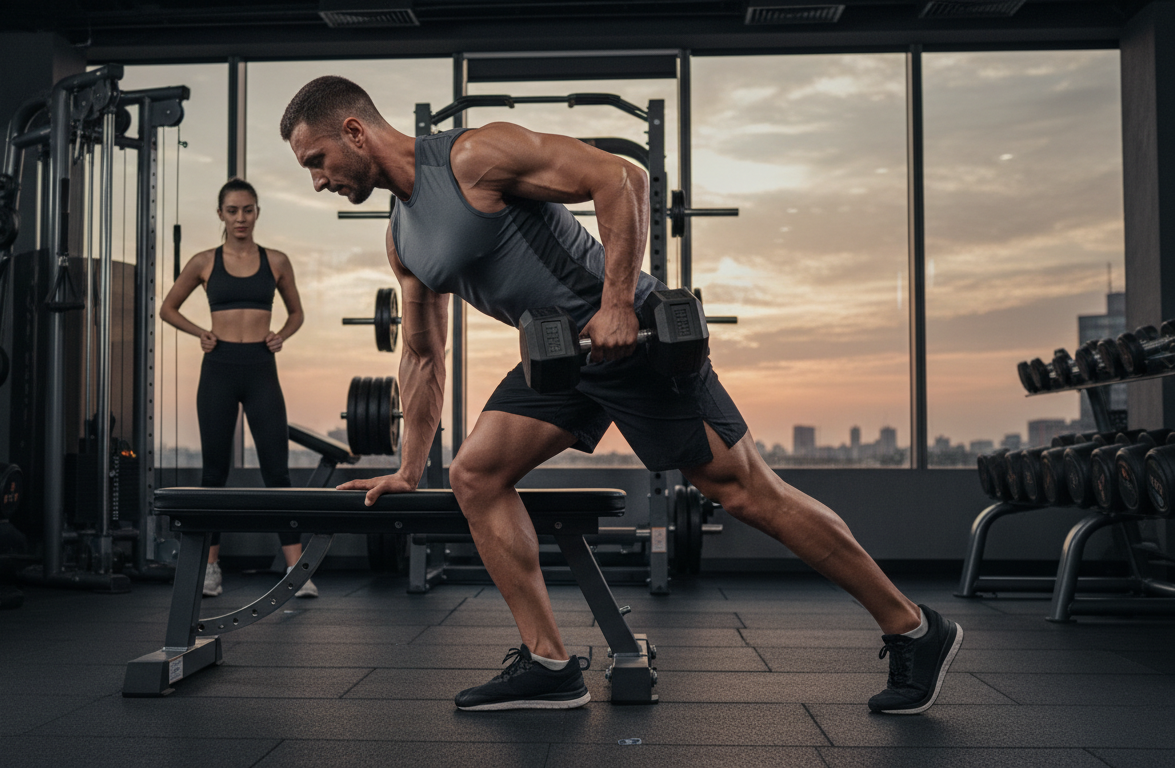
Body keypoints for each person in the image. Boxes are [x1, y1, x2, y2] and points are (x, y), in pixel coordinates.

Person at [280, 76, 962, 714]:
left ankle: (913, 628)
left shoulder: (474, 156)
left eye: (317, 160)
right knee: (475, 474)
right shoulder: (401, 239)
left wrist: (616, 306)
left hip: (631, 342)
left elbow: (618, 176)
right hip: (556, 358)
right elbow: (423, 355)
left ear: (355, 131)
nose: (317, 181)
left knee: (746, 492)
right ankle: (549, 666)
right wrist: (407, 467)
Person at [160, 177, 316, 599]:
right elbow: (167, 308)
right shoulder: (203, 262)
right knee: (214, 472)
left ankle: (295, 571)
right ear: (221, 215)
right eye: (232, 211)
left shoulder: (277, 260)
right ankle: (210, 570)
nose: (240, 218)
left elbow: (297, 312)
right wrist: (200, 333)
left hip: (261, 367)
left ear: (257, 213)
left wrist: (282, 333)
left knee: (276, 471)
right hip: (219, 368)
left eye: (248, 210)